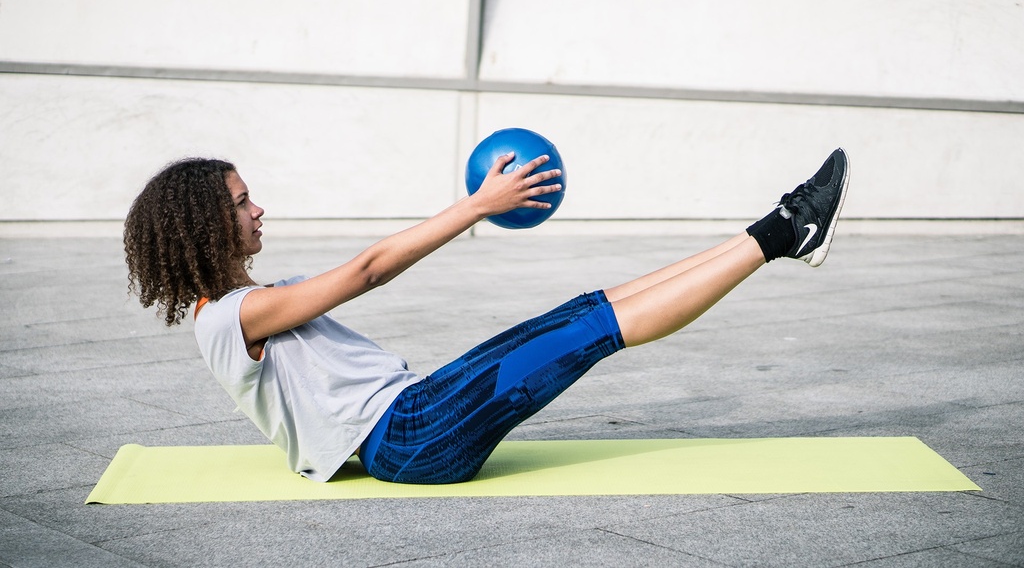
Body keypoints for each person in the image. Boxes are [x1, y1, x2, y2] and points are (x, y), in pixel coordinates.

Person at [124, 148, 850, 484]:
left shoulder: (244, 306)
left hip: (414, 416)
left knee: (587, 312)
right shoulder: (227, 319)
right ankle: (787, 232)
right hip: (409, 437)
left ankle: (780, 227)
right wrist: (475, 207)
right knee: (589, 332)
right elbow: (368, 270)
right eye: (244, 201)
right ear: (206, 225)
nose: (259, 209)